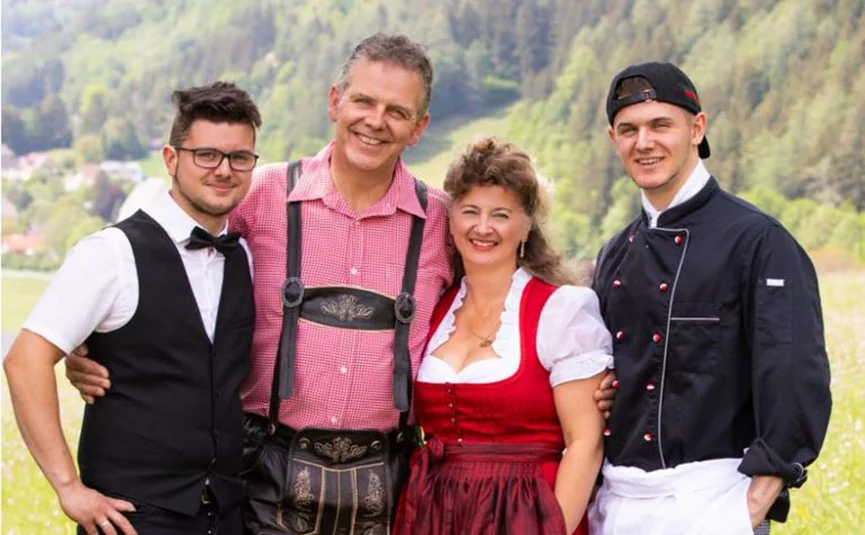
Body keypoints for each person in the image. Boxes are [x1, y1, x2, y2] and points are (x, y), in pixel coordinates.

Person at [65, 33, 617, 534]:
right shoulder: (258, 193)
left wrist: (588, 379)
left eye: (397, 111)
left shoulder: (445, 222)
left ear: (419, 127)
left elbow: (506, 297)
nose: (376, 121)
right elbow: (158, 247)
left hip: (391, 483)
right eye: (364, 102)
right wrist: (98, 341)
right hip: (264, 473)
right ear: (335, 102)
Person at [4, 82, 262, 535]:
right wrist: (68, 488)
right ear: (170, 159)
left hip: (222, 516)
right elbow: (25, 360)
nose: (224, 169)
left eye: (239, 157)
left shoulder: (245, 257)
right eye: (207, 154)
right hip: (130, 518)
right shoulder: (111, 253)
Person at [587, 62, 832, 535]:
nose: (644, 142)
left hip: (713, 502)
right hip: (616, 506)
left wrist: (750, 506)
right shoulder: (615, 252)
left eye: (661, 125)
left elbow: (795, 375)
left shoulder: (759, 241)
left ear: (697, 128)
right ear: (612, 138)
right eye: (628, 129)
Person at [395, 138, 611, 535]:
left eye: (500, 214)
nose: (482, 228)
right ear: (452, 218)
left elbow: (585, 444)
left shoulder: (562, 310)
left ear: (527, 224)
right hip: (435, 511)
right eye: (470, 211)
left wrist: (550, 528)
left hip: (526, 515)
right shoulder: (434, 309)